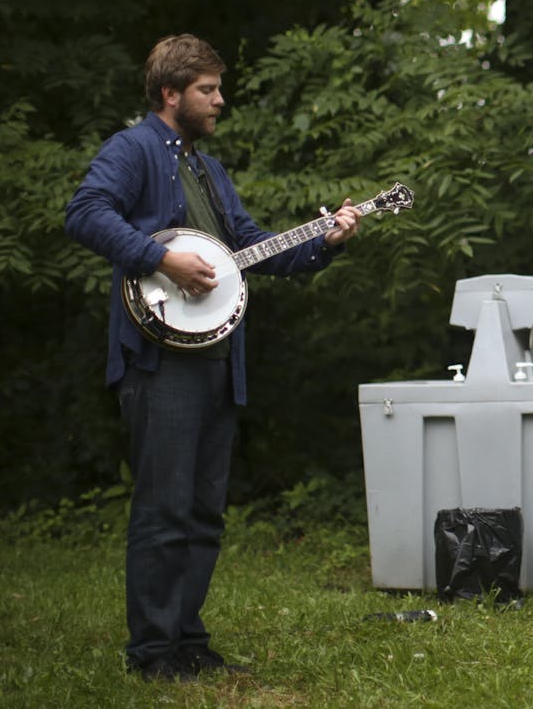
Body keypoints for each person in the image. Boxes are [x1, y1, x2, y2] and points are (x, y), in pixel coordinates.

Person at [65, 35, 362, 682]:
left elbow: (255, 248)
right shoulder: (134, 150)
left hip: (218, 360)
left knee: (202, 512)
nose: (220, 100)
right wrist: (159, 255)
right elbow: (85, 212)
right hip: (159, 361)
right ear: (171, 94)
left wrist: (326, 240)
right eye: (208, 89)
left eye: (218, 88)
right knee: (163, 508)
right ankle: (151, 654)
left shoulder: (209, 171)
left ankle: (187, 641)